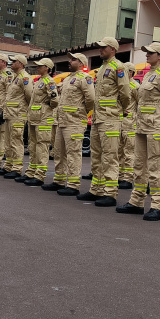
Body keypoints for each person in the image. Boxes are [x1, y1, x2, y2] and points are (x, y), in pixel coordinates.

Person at [116, 42, 160, 221]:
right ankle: (136, 202)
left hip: (157, 125)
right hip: (143, 125)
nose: (147, 54)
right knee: (139, 165)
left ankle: (158, 206)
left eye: (150, 52)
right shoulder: (148, 75)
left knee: (156, 166)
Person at [81, 37, 132, 207]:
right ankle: (96, 189)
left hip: (110, 118)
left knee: (110, 155)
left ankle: (110, 193)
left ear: (113, 49)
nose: (100, 50)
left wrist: (121, 109)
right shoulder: (102, 68)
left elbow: (125, 92)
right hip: (98, 118)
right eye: (100, 47)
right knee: (96, 155)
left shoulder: (118, 67)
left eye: (104, 48)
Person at [44, 53, 94, 195]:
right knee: (59, 152)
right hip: (62, 121)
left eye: (73, 59)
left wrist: (81, 111)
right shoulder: (67, 79)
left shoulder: (85, 78)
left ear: (81, 63)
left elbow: (90, 99)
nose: (69, 61)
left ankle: (73, 184)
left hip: (75, 121)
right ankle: (59, 180)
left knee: (73, 154)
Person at [25, 59, 58, 186]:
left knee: (42, 146)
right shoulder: (39, 80)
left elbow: (55, 100)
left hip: (43, 118)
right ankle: (31, 171)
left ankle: (40, 175)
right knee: (33, 145)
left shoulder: (49, 81)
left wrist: (45, 107)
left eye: (40, 66)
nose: (37, 67)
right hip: (34, 117)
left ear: (47, 67)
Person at [1, 54, 32, 179]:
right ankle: (8, 165)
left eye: (14, 61)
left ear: (21, 63)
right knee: (8, 141)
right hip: (10, 114)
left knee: (16, 141)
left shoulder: (25, 77)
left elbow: (29, 95)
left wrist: (24, 110)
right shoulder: (14, 77)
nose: (11, 63)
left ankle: (17, 168)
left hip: (18, 114)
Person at [118, 62, 138, 189]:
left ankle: (128, 177)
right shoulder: (120, 85)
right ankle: (120, 175)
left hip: (130, 123)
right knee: (119, 151)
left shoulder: (135, 86)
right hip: (119, 122)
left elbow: (141, 103)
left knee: (129, 151)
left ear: (131, 72)